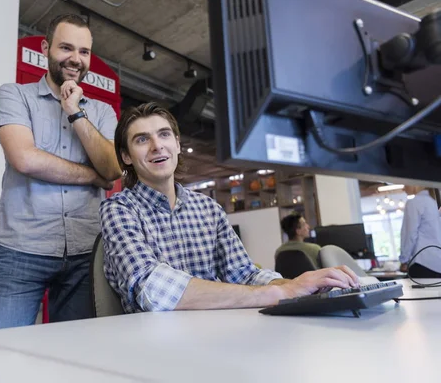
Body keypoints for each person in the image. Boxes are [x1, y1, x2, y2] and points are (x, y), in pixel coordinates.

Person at [99, 102, 359, 313]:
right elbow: (153, 290)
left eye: (164, 134)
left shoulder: (207, 208)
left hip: (220, 334)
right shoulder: (119, 209)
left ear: (177, 144)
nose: (157, 145)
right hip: (156, 348)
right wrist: (277, 293)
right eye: (142, 139)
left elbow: (243, 274)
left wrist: (299, 286)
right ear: (125, 156)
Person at [0, 14, 122, 329]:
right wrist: (91, 175)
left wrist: (75, 112)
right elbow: (26, 159)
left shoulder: (101, 111)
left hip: (86, 254)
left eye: (84, 52)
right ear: (46, 47)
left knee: (76, 356)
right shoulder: (14, 95)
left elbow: (112, 168)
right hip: (21, 250)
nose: (76, 59)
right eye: (66, 48)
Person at [399, 185, 441, 278]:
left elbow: (409, 234)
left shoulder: (414, 203)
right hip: (437, 264)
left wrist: (404, 260)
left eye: (405, 183)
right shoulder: (432, 202)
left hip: (422, 262)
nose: (403, 188)